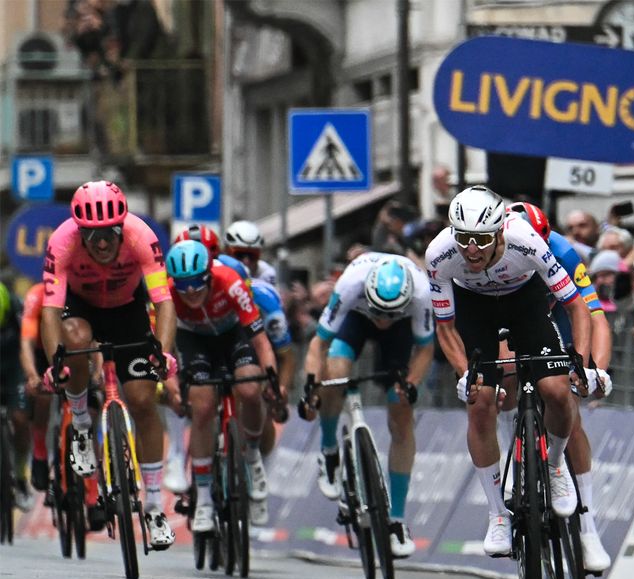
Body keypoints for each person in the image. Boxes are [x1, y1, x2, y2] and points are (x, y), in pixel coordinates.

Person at [426, 186, 592, 558]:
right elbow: (446, 327)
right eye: (464, 238)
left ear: (500, 232)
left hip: (524, 301)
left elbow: (576, 307)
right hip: (474, 308)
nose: (471, 249)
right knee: (481, 401)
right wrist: (462, 373)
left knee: (556, 390)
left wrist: (579, 358)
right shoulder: (440, 255)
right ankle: (498, 514)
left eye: (481, 240)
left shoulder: (527, 242)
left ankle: (554, 464)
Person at [40, 180, 178, 550]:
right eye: (92, 235)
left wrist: (161, 354)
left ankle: (152, 505)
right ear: (79, 231)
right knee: (76, 341)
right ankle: (82, 425)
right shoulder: (61, 241)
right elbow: (50, 311)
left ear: (122, 227)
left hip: (127, 310)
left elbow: (163, 302)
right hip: (81, 310)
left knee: (145, 402)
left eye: (109, 234)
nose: (101, 243)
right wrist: (58, 362)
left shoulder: (142, 236)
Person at [299, 252, 434, 557]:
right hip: (355, 320)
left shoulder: (421, 292)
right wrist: (311, 387)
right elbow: (318, 344)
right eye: (379, 312)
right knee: (335, 372)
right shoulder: (350, 284)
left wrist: (409, 384)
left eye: (390, 314)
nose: (383, 320)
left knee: (400, 412)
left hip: (401, 335)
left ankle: (397, 520)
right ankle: (329, 451)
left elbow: (425, 350)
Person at [502, 201, 612, 572]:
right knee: (503, 377)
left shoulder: (563, 251)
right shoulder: (496, 248)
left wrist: (594, 368)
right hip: (511, 312)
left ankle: (587, 526)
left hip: (557, 314)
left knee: (567, 403)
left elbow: (594, 314)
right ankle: (512, 452)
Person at [163, 241, 280, 530]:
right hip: (195, 341)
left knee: (251, 389)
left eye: (196, 283)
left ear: (209, 276)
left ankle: (252, 455)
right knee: (201, 407)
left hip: (233, 336)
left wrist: (272, 379)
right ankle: (203, 497)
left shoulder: (230, 281)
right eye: (183, 285)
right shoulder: (166, 293)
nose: (190, 291)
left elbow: (261, 340)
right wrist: (170, 385)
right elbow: (162, 349)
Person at [0, 280, 34, 511]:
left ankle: (21, 474)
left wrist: (31, 374)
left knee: (20, 419)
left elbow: (25, 343)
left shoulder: (14, 306)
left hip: (13, 366)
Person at [224, 220, 278, 288]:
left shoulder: (266, 274)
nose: (246, 261)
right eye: (239, 254)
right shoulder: (216, 270)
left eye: (252, 255)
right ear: (227, 252)